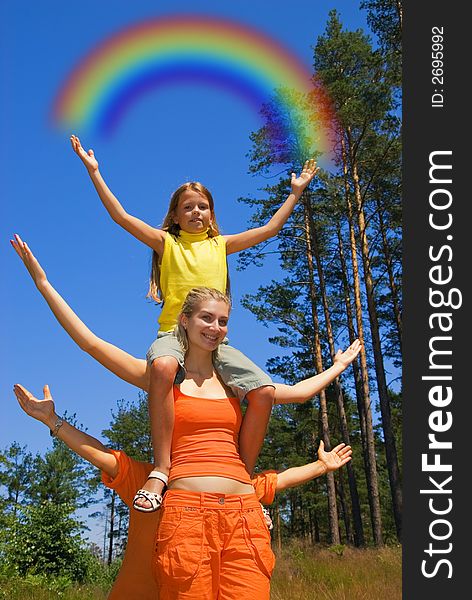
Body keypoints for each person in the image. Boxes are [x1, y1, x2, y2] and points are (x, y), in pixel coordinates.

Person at [69, 134, 319, 511]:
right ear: (175, 215)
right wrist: (94, 171)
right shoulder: (166, 243)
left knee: (264, 391)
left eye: (203, 206)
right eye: (188, 207)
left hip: (215, 342)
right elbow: (120, 216)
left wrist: (295, 194)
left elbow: (268, 230)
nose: (196, 212)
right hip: (174, 335)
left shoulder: (222, 245)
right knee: (165, 366)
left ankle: (244, 477)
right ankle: (163, 466)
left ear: (211, 214)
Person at [13, 382, 351, 600]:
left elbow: (276, 480)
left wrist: (321, 466)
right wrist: (52, 421)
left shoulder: (230, 489)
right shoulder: (148, 480)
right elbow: (101, 454)